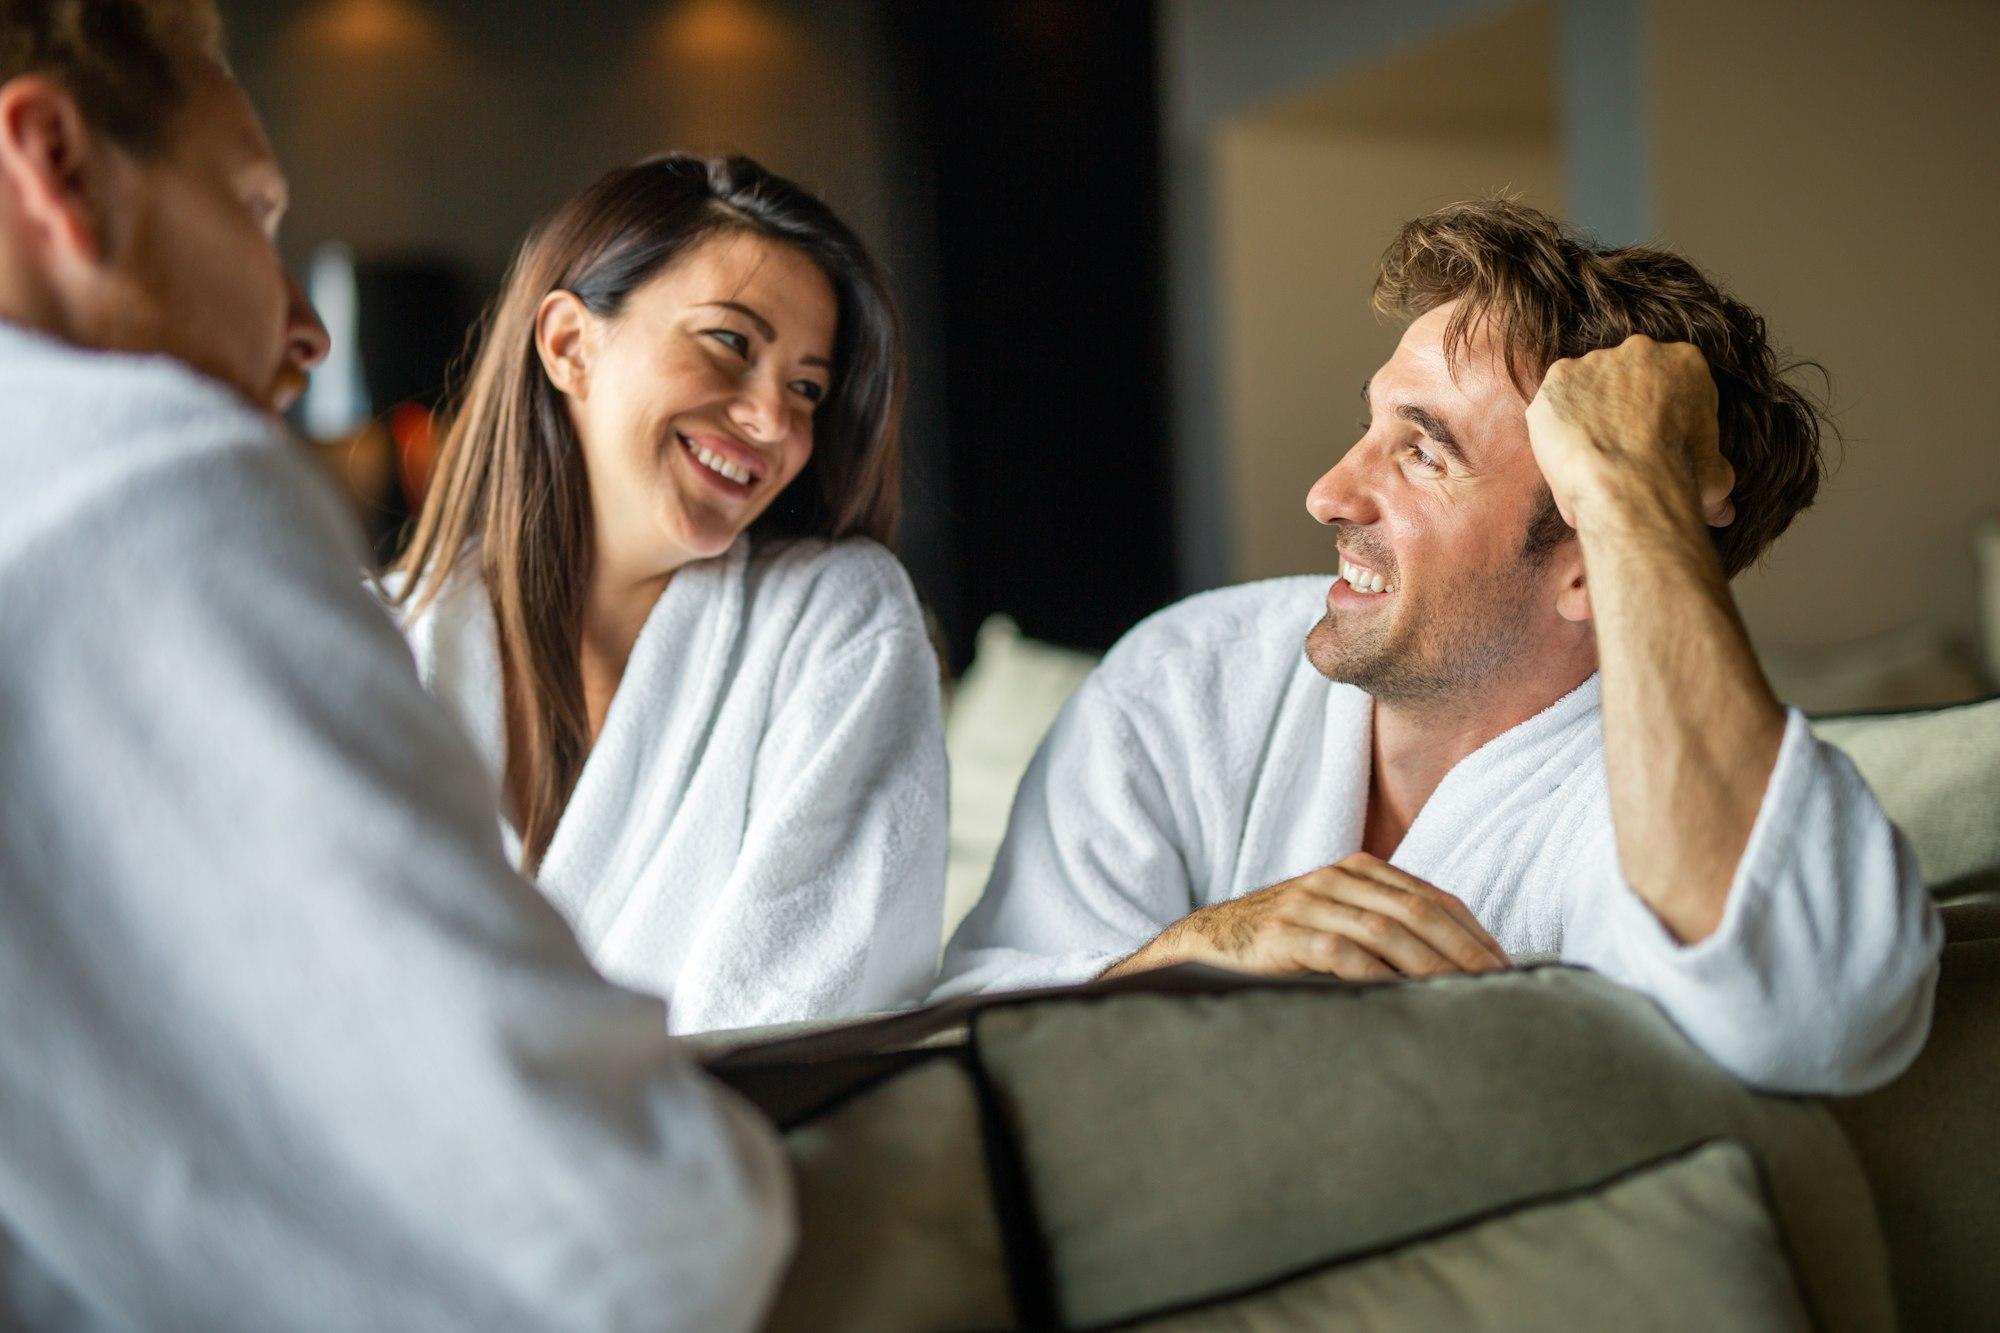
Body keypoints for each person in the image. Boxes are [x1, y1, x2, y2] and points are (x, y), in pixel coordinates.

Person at [0, 3, 790, 1326]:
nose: (307, 329)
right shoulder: (141, 489)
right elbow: (634, 1232)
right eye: (254, 211)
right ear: (58, 167)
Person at [938, 199, 1942, 1096]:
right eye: (1370, 425)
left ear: (1595, 558)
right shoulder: (1191, 674)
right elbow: (951, 1040)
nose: (1327, 492)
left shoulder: (1666, 802)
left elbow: (1815, 1015)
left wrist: (1636, 486)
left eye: (1423, 451)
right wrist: (1203, 952)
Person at [380, 154, 945, 1032]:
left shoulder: (836, 624)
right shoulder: (370, 647)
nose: (773, 422)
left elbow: (812, 1010)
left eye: (807, 388)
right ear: (570, 344)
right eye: (730, 341)